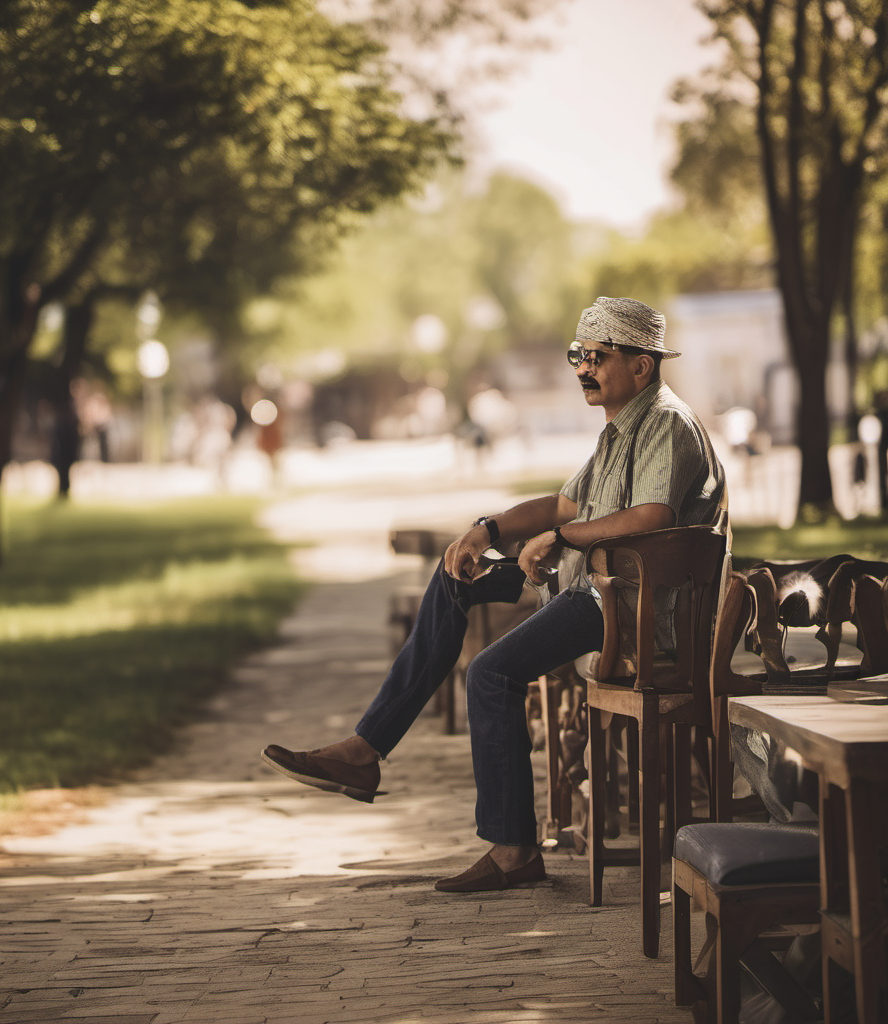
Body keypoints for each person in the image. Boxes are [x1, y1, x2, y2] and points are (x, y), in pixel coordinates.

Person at [262, 296, 726, 893]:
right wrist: (487, 530)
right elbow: (562, 504)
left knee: (491, 674)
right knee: (456, 574)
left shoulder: (664, 421)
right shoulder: (620, 429)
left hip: (640, 608)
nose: (583, 368)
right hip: (599, 589)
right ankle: (363, 751)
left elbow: (652, 516)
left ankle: (513, 852)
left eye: (597, 356)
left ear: (642, 365)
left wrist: (559, 538)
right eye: (576, 356)